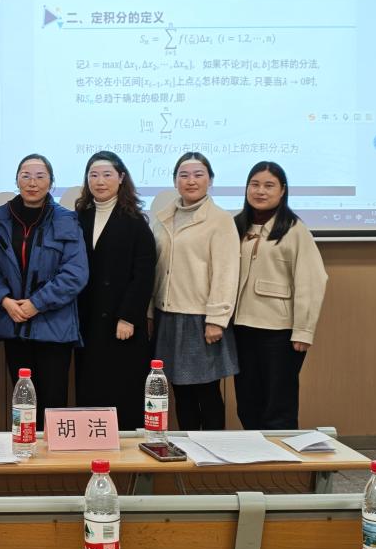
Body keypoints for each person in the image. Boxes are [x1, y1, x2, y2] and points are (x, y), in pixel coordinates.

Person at [0, 154, 88, 427]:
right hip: (15, 324)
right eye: (26, 175)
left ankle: (51, 455)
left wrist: (36, 304)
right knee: (23, 405)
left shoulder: (66, 220)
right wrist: (5, 300)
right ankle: (24, 450)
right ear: (16, 180)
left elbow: (75, 274)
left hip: (54, 329)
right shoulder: (1, 219)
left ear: (51, 182)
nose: (32, 182)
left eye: (40, 176)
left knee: (53, 405)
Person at [233, 161, 328, 430]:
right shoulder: (236, 226)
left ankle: (281, 456)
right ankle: (256, 453)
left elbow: (312, 281)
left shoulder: (294, 229)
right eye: (254, 184)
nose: (260, 191)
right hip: (241, 329)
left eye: (269, 185)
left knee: (278, 405)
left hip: (279, 331)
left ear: (283, 190)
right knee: (247, 402)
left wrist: (303, 331)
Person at [149, 152, 239, 431]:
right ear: (175, 181)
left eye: (198, 175)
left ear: (210, 180)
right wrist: (149, 312)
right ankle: (187, 447)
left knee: (207, 391)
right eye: (184, 175)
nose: (191, 181)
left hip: (201, 319)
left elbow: (226, 272)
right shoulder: (162, 218)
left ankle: (213, 449)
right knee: (179, 391)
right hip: (167, 316)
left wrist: (217, 320)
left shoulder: (220, 220)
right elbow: (154, 268)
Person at [74, 151, 156, 430]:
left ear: (121, 178)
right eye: (93, 175)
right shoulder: (79, 218)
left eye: (107, 174)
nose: (100, 181)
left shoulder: (135, 221)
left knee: (122, 388)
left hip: (122, 323)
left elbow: (144, 274)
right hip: (88, 319)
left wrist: (129, 316)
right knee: (91, 386)